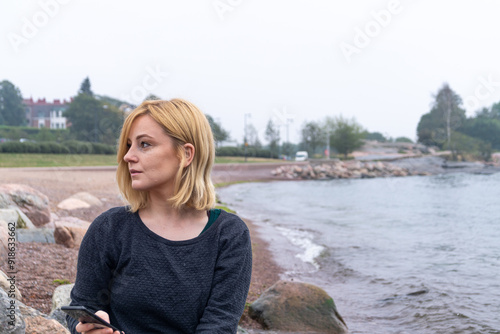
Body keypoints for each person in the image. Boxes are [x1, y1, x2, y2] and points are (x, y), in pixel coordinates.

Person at [67, 99, 252, 334]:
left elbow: (219, 325)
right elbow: (81, 308)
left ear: (186, 154)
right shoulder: (109, 228)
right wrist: (86, 328)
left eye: (144, 144)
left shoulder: (229, 235)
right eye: (128, 145)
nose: (128, 156)